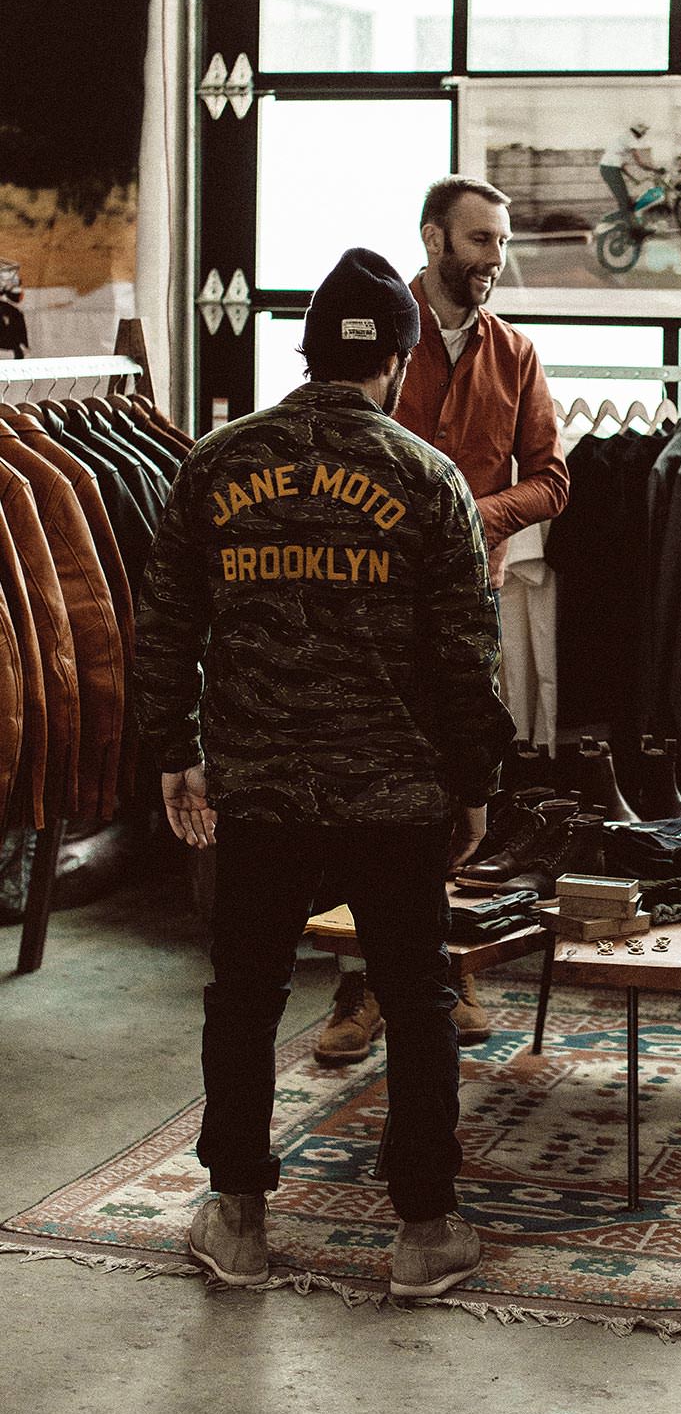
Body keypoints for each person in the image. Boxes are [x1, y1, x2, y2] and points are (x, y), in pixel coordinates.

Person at [135, 247, 514, 1295]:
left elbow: (165, 625)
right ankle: (425, 1230)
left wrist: (177, 753)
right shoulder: (425, 477)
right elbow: (464, 655)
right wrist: (476, 783)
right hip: (395, 791)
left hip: (258, 787)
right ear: (395, 358)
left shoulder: (215, 462)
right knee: (419, 996)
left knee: (247, 996)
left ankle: (240, 1217)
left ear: (305, 353)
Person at [316, 176, 569, 1059]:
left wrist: (472, 512)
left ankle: (447, 968)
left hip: (468, 612)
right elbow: (327, 442)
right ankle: (358, 989)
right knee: (363, 801)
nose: (494, 261)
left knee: (456, 792)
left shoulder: (516, 355)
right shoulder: (376, 336)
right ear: (434, 240)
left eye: (502, 244)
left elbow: (552, 479)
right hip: (369, 620)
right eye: (480, 242)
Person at [598, 122, 656, 236]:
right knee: (625, 202)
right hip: (610, 169)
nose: (644, 134)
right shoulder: (631, 138)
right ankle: (634, 231)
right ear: (638, 130)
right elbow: (640, 163)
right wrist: (655, 169)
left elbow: (622, 165)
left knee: (627, 202)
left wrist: (634, 179)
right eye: (644, 131)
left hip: (609, 168)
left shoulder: (624, 137)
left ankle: (609, 219)